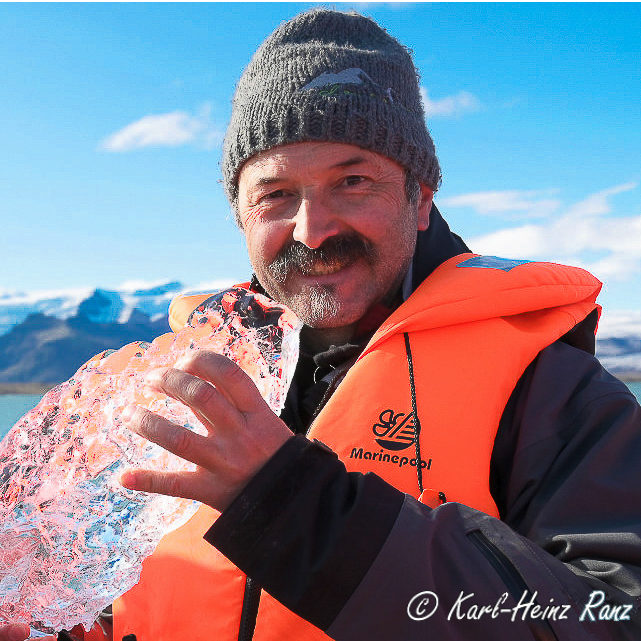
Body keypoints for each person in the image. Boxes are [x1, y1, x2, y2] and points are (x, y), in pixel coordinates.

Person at [3, 8, 640, 641]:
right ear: (241, 216)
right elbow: (131, 601)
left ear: (420, 200)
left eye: (353, 181)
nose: (314, 230)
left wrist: (298, 508)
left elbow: (613, 618)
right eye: (276, 194)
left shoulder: (552, 392)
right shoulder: (184, 372)